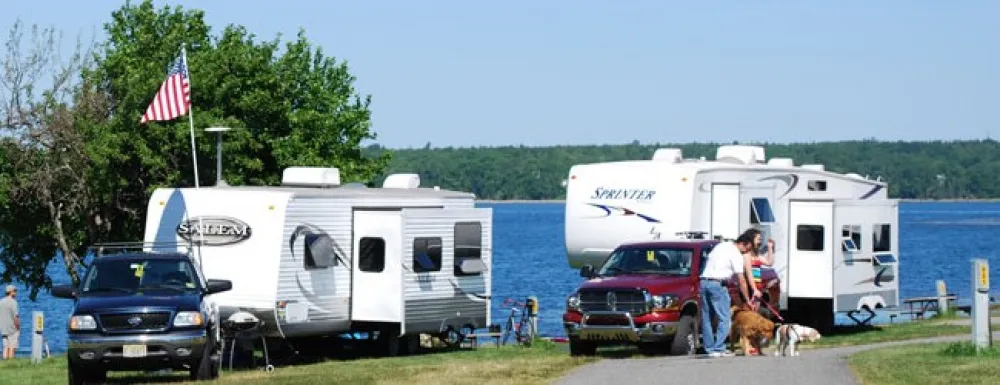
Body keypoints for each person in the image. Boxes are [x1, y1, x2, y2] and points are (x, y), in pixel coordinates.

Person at [699, 234, 756, 357]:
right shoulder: (736, 254)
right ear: (744, 244)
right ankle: (718, 348)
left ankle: (709, 349)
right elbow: (741, 280)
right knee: (724, 318)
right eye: (748, 248)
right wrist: (747, 299)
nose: (747, 251)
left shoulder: (721, 246)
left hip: (704, 282)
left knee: (707, 318)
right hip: (718, 285)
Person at [0, 284, 20, 360]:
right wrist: (18, 327)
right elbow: (16, 316)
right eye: (15, 291)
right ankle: (11, 362)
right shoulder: (13, 302)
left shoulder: (1, 301)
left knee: (5, 346)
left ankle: (5, 361)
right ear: (11, 292)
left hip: (3, 328)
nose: (16, 293)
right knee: (12, 346)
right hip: (12, 328)